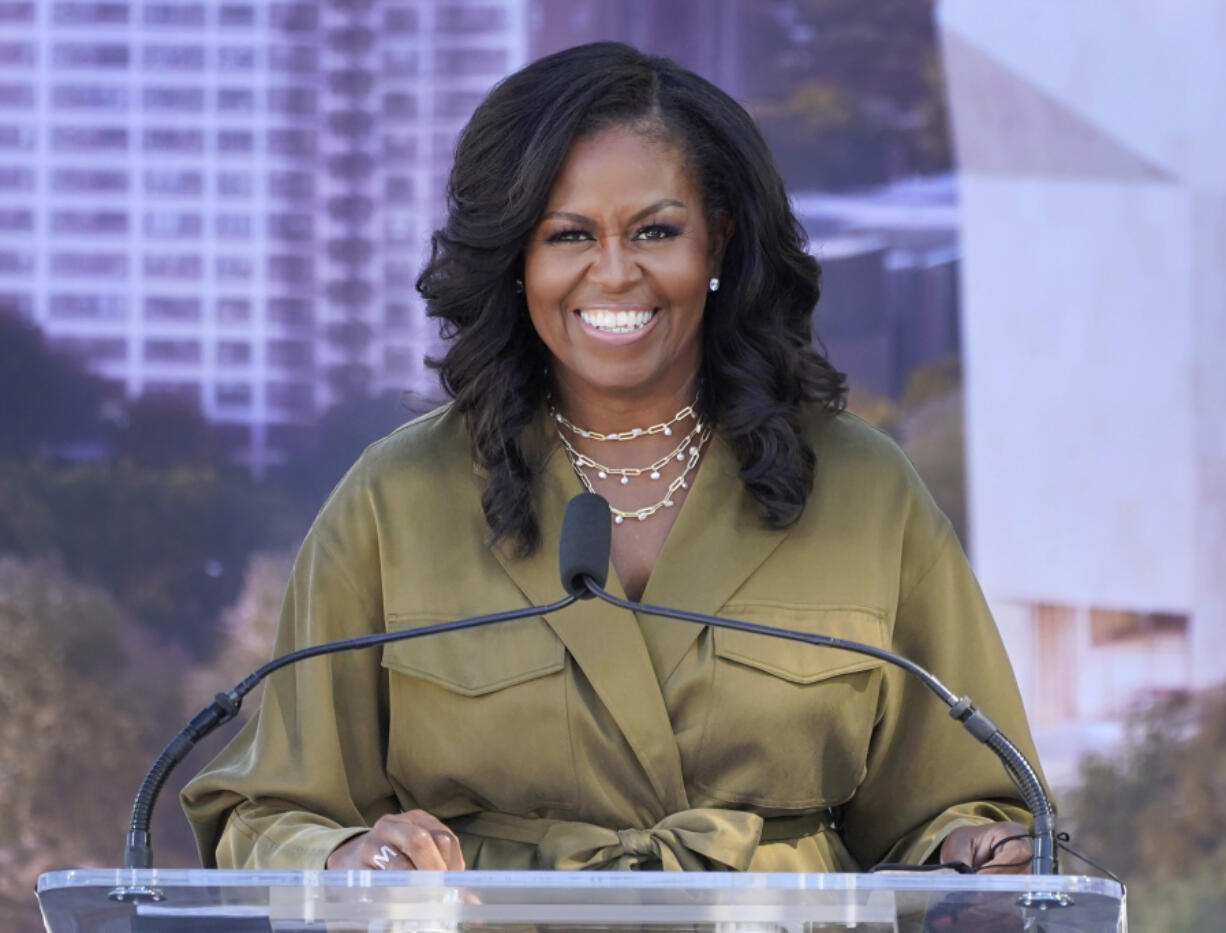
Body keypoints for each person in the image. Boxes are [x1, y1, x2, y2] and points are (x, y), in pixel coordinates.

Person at [182, 42, 1042, 875]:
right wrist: (344, 855)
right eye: (569, 235)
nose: (615, 271)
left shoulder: (864, 487)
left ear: (719, 244)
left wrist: (976, 850)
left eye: (655, 230)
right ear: (516, 259)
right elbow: (269, 813)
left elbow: (968, 802)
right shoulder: (394, 498)